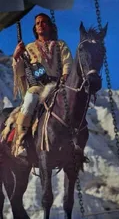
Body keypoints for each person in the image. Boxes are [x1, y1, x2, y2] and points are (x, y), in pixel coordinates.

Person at [10, 13, 73, 157]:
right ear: (35, 27)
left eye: (44, 22)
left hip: (59, 85)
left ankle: (76, 141)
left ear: (50, 26)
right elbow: (21, 72)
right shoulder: (29, 48)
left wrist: (64, 78)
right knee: (30, 99)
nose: (40, 25)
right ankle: (20, 141)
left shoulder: (60, 45)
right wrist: (16, 55)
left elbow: (67, 63)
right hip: (38, 87)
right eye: (37, 23)